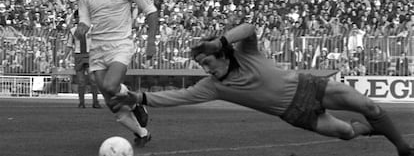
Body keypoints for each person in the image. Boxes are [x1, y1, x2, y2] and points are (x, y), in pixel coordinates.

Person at [111, 23, 413, 156]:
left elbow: (250, 28)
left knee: (370, 107)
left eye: (207, 61)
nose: (205, 68)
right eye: (202, 64)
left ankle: (402, 148)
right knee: (347, 133)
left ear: (221, 53)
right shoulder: (214, 87)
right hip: (295, 114)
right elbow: (176, 97)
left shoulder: (246, 53)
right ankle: (371, 130)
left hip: (309, 88)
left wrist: (221, 41)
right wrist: (138, 97)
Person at [75, 0, 157, 147]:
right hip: (97, 48)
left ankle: (136, 102)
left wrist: (151, 43)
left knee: (111, 86)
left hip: (120, 44)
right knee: (112, 103)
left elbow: (151, 11)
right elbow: (84, 18)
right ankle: (142, 133)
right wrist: (82, 27)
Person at [66, 10, 101, 108]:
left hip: (90, 55)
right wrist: (64, 57)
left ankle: (95, 102)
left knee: (93, 80)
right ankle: (81, 103)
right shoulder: (73, 31)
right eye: (77, 17)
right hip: (78, 56)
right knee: (81, 82)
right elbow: (69, 45)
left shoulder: (92, 29)